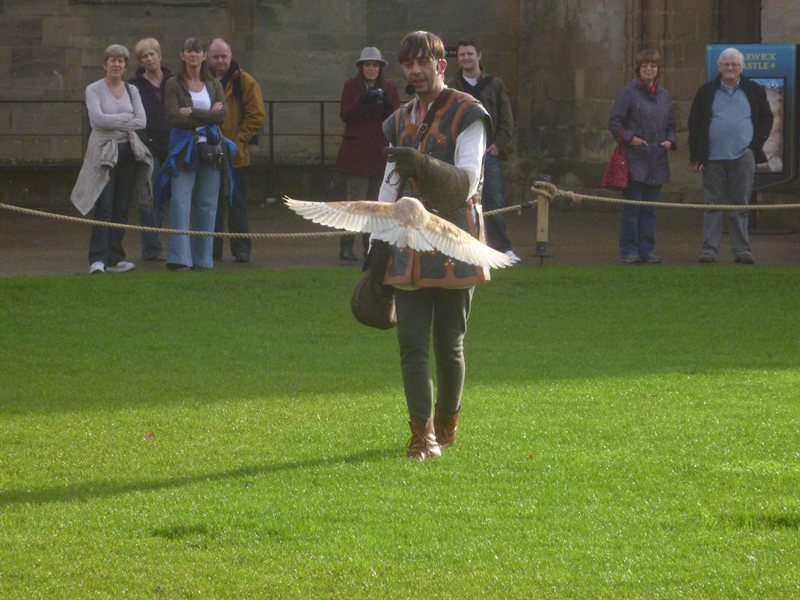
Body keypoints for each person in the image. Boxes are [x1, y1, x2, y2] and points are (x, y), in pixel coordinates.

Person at [379, 31, 490, 461]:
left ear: (442, 65)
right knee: (410, 341)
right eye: (408, 65)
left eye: (424, 63)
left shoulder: (469, 114)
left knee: (449, 342)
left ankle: (446, 425)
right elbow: (388, 185)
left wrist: (421, 163)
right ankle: (420, 434)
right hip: (406, 238)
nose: (415, 72)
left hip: (454, 236)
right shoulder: (398, 119)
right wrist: (375, 245)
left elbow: (468, 182)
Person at [70, 44, 152, 274]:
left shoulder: (131, 90)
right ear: (105, 63)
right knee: (104, 205)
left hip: (128, 151)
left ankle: (115, 257)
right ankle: (97, 258)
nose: (117, 64)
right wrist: (126, 117)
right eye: (112, 60)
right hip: (104, 152)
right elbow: (98, 120)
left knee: (121, 207)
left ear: (125, 65)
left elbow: (142, 122)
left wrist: (115, 119)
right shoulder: (94, 89)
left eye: (121, 61)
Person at [688, 47, 773, 264]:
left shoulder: (754, 90)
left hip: (742, 157)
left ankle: (742, 250)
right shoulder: (706, 91)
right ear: (719, 67)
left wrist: (754, 146)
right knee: (712, 205)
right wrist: (696, 156)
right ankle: (709, 249)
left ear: (741, 68)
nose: (730, 68)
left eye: (734, 64)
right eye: (726, 64)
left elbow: (766, 120)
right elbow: (695, 124)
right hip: (713, 158)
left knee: (740, 205)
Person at [157, 37, 235, 271]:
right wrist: (206, 114)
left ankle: (203, 259)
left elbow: (221, 116)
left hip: (211, 149)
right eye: (189, 51)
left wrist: (190, 111)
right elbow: (173, 117)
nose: (193, 55)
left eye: (197, 51)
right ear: (182, 55)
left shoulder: (214, 85)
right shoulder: (173, 83)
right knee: (181, 202)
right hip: (184, 149)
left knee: (207, 204)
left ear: (204, 56)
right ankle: (179, 258)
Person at [448, 39, 520, 264]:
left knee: (494, 200)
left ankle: (502, 248)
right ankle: (465, 247)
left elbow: (507, 118)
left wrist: (499, 145)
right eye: (462, 55)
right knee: (461, 201)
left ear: (479, 55)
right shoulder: (453, 86)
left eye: (470, 54)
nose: (466, 58)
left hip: (489, 152)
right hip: (461, 154)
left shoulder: (494, 84)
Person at [608, 48, 677, 264]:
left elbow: (672, 125)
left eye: (653, 66)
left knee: (650, 210)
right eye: (646, 66)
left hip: (657, 157)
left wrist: (670, 140)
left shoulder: (664, 95)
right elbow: (615, 123)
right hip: (635, 157)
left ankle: (647, 249)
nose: (649, 69)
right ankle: (629, 250)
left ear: (658, 70)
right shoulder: (628, 93)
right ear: (639, 69)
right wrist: (631, 138)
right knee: (633, 208)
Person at [334, 46, 400, 261]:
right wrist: (363, 102)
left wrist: (384, 103)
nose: (371, 68)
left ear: (380, 68)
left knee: (376, 203)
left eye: (375, 65)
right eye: (367, 65)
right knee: (355, 202)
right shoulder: (351, 87)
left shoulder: (389, 88)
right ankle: (346, 244)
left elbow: (397, 117)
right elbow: (346, 114)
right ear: (361, 67)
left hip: (379, 152)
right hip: (357, 154)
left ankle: (371, 245)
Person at [207, 38, 266, 263]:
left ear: (230, 57)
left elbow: (257, 115)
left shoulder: (245, 82)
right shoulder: (203, 81)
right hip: (209, 152)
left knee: (237, 203)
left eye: (224, 56)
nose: (220, 61)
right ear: (209, 58)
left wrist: (239, 140)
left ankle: (241, 249)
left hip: (235, 154)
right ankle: (212, 249)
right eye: (216, 56)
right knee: (211, 202)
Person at [129, 37, 172, 262]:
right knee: (149, 198)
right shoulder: (134, 86)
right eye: (144, 56)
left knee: (170, 198)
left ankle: (176, 246)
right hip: (149, 148)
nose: (149, 58)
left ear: (159, 55)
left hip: (174, 146)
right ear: (140, 61)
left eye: (152, 54)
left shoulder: (173, 81)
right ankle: (151, 248)